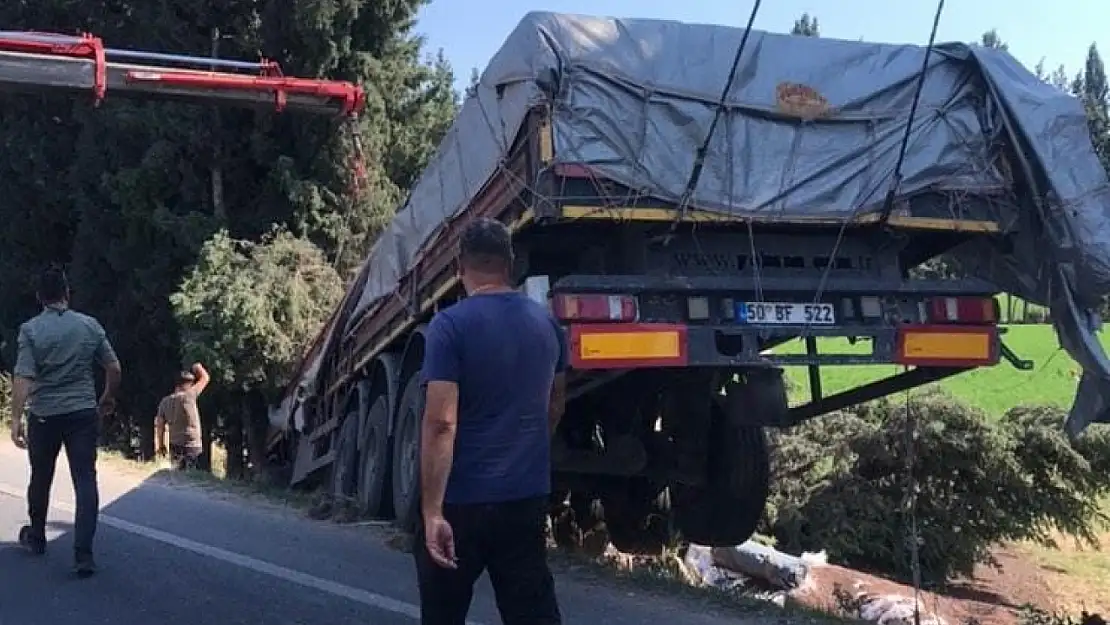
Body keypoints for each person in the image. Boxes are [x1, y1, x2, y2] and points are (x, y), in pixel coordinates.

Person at [416, 217, 568, 625]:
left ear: (459, 267)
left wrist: (432, 512)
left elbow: (441, 424)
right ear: (510, 263)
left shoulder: (449, 327)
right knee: (532, 613)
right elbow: (555, 404)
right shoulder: (548, 326)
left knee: (443, 613)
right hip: (525, 497)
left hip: (461, 502)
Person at [9, 266, 122, 577]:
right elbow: (114, 368)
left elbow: (23, 377)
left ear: (39, 297)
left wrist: (16, 418)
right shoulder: (89, 326)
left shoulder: (30, 330)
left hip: (44, 415)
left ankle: (37, 536)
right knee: (85, 479)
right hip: (83, 414)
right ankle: (83, 553)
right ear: (67, 293)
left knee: (41, 476)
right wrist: (107, 398)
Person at [154, 363, 210, 471]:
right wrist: (197, 367)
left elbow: (160, 425)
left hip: (175, 444)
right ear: (189, 384)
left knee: (178, 475)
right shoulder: (189, 395)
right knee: (192, 476)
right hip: (192, 445)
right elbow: (205, 378)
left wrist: (161, 445)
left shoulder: (164, 402)